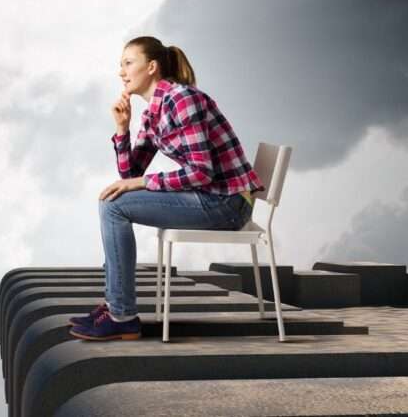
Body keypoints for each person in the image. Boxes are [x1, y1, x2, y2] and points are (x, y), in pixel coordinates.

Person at [69, 36, 263, 341]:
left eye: (128, 63)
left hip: (228, 203)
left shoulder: (181, 99)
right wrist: (123, 129)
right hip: (211, 196)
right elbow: (130, 175)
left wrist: (143, 182)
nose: (121, 72)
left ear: (152, 67)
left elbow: (201, 172)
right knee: (116, 201)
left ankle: (121, 314)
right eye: (120, 65)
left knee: (113, 206)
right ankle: (115, 306)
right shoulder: (152, 113)